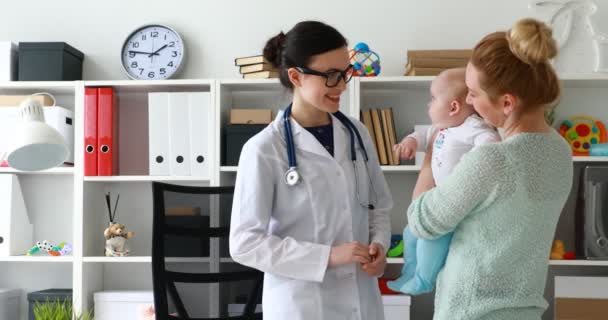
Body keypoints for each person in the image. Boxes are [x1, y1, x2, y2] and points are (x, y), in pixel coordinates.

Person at [406, 18, 573, 319]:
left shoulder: (494, 160)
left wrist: (431, 156)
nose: (468, 100)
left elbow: (422, 221)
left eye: (473, 93)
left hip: (472, 312)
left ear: (507, 102)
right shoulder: (561, 151)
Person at [229, 20, 393, 320]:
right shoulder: (264, 148)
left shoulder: (357, 133)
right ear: (296, 76)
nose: (342, 85)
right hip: (301, 306)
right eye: (331, 76)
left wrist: (379, 247)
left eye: (346, 73)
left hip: (362, 301)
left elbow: (378, 206)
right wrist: (327, 257)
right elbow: (244, 243)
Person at [389, 68, 500, 295]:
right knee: (411, 234)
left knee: (432, 238)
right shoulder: (440, 128)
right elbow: (420, 136)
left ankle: (424, 279)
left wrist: (473, 159)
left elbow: (490, 142)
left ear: (453, 107)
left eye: (432, 99)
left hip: (453, 205)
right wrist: (409, 142)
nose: (428, 104)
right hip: (435, 200)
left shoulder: (472, 128)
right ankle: (409, 273)